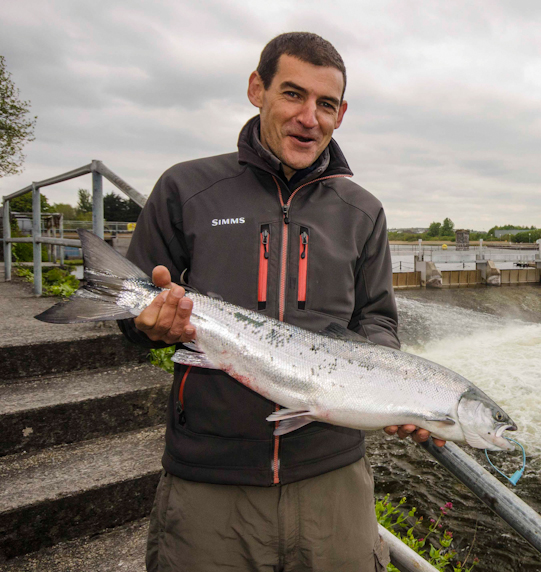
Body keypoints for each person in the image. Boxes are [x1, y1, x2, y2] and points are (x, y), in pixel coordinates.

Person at [118, 32, 443, 572]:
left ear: (342, 114)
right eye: (293, 95)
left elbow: (377, 319)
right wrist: (148, 322)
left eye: (326, 104)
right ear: (257, 89)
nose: (309, 118)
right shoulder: (185, 188)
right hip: (209, 483)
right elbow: (133, 316)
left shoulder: (363, 211)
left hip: (332, 478)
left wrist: (392, 381)